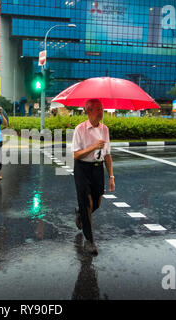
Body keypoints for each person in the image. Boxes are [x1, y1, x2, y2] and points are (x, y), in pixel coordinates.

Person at [72, 99, 115, 255]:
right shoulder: (80, 129)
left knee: (96, 203)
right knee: (86, 202)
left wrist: (111, 176)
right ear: (88, 111)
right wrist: (94, 146)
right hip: (82, 168)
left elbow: (108, 155)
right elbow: (76, 154)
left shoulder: (105, 130)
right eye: (97, 109)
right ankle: (90, 241)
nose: (101, 111)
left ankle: (80, 213)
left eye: (102, 108)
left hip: (97, 169)